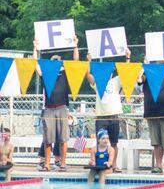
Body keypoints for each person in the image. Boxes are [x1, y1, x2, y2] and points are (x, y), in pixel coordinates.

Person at [33, 37, 78, 172]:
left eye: (58, 60)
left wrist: (75, 46)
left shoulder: (66, 72)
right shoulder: (46, 73)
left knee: (63, 138)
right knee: (48, 139)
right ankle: (47, 164)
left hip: (62, 108)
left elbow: (76, 62)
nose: (55, 62)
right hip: (49, 109)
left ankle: (62, 163)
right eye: (53, 61)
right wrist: (35, 47)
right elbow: (34, 64)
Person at [85, 49, 131, 172]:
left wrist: (127, 58)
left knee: (114, 143)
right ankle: (99, 164)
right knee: (100, 143)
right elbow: (88, 76)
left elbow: (126, 72)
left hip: (114, 116)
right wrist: (88, 62)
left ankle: (113, 165)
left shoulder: (116, 81)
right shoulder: (97, 83)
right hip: (101, 116)